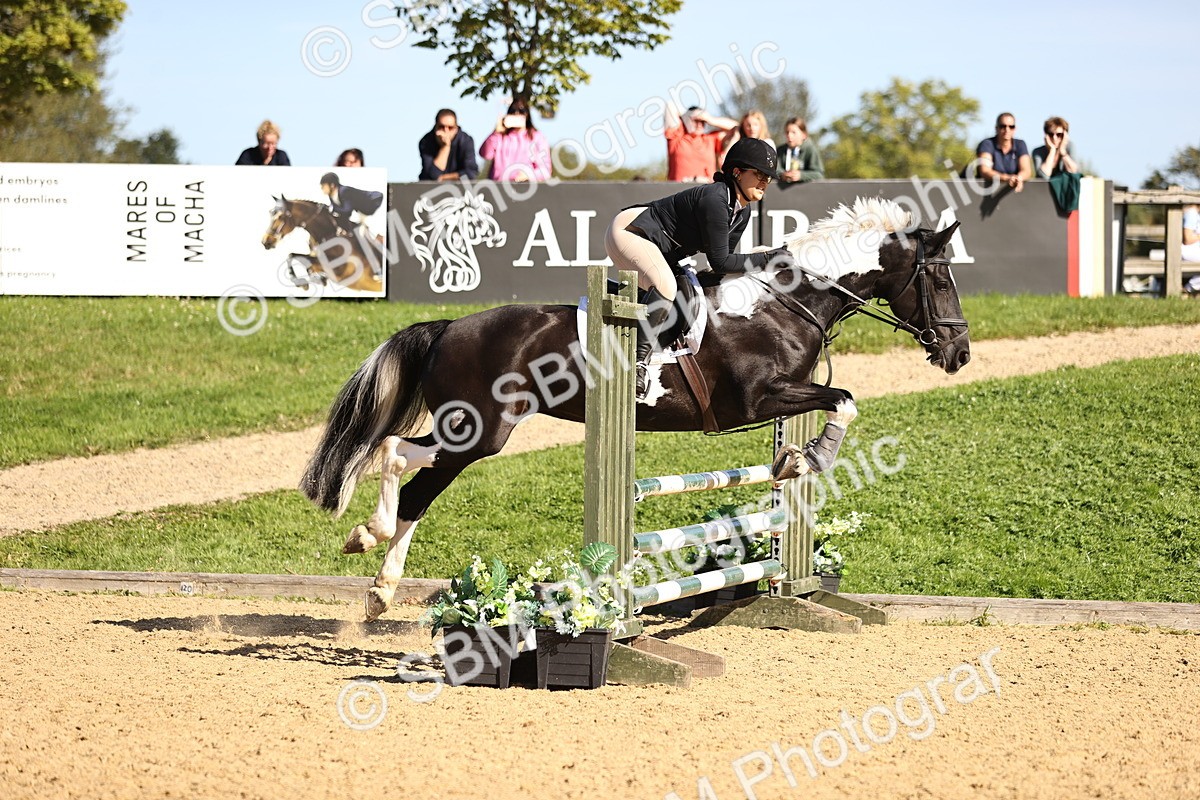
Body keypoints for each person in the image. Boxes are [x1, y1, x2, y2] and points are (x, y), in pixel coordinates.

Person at [604, 138, 794, 399]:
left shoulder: (742, 211)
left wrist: (761, 258)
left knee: (685, 291)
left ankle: (624, 305)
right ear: (736, 172)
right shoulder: (715, 198)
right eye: (759, 174)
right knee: (666, 286)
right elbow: (721, 262)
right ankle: (635, 366)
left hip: (660, 247)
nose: (764, 182)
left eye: (768, 177)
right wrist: (768, 259)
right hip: (631, 231)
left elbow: (721, 268)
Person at [320, 172, 385, 277]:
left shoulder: (344, 191)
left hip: (374, 207)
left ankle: (379, 268)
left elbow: (347, 210)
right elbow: (339, 214)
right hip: (362, 213)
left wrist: (332, 210)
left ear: (332, 185)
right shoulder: (331, 196)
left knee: (364, 236)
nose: (322, 188)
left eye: (324, 185)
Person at [479, 98, 550, 182]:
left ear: (527, 114)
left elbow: (545, 170)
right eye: (513, 111)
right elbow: (485, 154)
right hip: (498, 187)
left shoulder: (536, 137)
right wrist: (495, 132)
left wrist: (529, 175)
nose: (517, 113)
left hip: (524, 188)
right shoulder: (500, 136)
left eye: (521, 110)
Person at [664, 105, 738, 182]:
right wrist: (688, 115)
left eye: (702, 122)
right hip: (679, 189)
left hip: (706, 190)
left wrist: (710, 119)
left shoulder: (710, 139)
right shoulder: (676, 138)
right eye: (696, 121)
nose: (699, 125)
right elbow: (669, 106)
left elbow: (737, 127)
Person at [418, 109, 479, 181]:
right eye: (441, 127)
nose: (446, 131)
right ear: (435, 126)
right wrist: (445, 147)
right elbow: (432, 176)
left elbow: (471, 173)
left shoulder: (466, 141)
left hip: (459, 189)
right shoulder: (426, 142)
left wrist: (443, 178)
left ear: (456, 128)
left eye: (450, 128)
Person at [976, 112, 1031, 191]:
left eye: (1011, 126)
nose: (1007, 130)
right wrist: (1006, 178)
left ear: (1015, 129)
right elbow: (985, 171)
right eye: (1003, 126)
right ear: (996, 128)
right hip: (985, 192)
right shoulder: (987, 144)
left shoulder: (1020, 144)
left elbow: (1026, 170)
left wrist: (1018, 178)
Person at [776, 117, 824, 185]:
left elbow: (819, 174)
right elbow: (774, 170)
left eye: (793, 132)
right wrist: (783, 175)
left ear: (804, 135)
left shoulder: (810, 149)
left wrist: (801, 175)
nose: (789, 135)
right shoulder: (780, 151)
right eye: (787, 132)